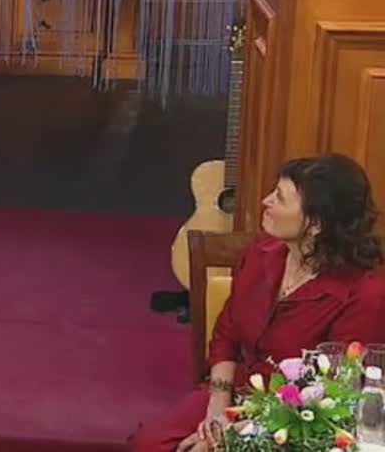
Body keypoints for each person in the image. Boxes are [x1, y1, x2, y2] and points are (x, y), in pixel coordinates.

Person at [130, 153, 385, 451]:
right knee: (149, 444)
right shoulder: (262, 252)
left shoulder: (364, 296)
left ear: (316, 223)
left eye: (280, 198)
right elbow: (226, 333)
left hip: (296, 420)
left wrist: (235, 435)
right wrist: (217, 406)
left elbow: (336, 396)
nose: (265, 201)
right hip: (237, 388)